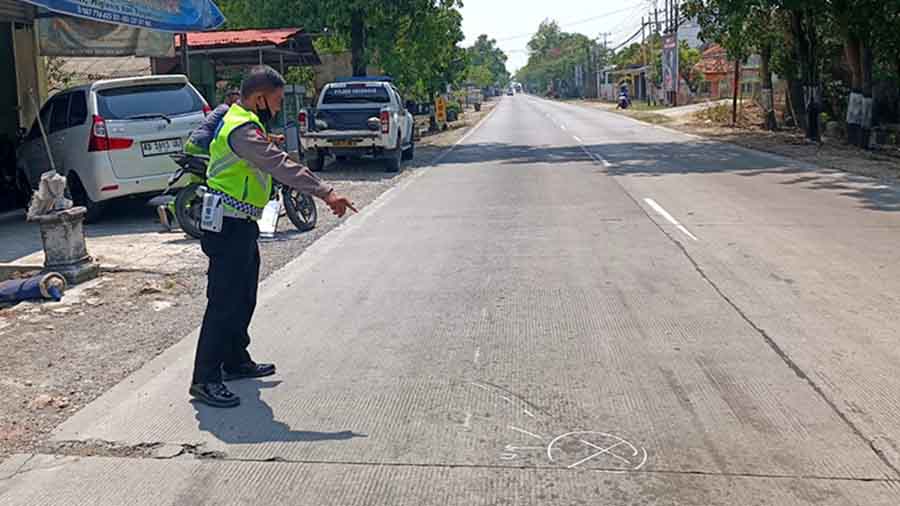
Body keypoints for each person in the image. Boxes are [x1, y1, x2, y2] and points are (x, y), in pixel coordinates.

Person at [189, 66, 354, 408]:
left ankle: (235, 360)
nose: (277, 109)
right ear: (259, 97)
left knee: (244, 295)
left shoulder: (244, 120)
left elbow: (256, 153)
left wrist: (268, 140)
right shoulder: (241, 129)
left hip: (241, 222)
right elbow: (280, 165)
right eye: (276, 102)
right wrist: (326, 191)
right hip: (228, 225)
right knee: (223, 302)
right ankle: (205, 378)